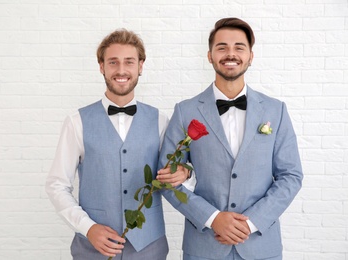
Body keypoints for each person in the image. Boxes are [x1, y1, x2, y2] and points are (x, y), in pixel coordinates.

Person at [157, 17, 303, 260]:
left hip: (261, 247)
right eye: (222, 47)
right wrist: (212, 218)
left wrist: (252, 222)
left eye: (239, 47)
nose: (230, 54)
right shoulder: (185, 111)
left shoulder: (275, 111)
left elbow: (291, 176)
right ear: (210, 55)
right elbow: (166, 179)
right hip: (204, 247)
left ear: (250, 56)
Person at [45, 29, 190, 260]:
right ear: (101, 66)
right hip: (91, 250)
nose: (121, 70)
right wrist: (88, 227)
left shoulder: (161, 121)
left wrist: (183, 172)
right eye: (113, 62)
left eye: (129, 62)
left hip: (149, 248)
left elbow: (177, 173)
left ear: (140, 66)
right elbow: (57, 185)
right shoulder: (76, 122)